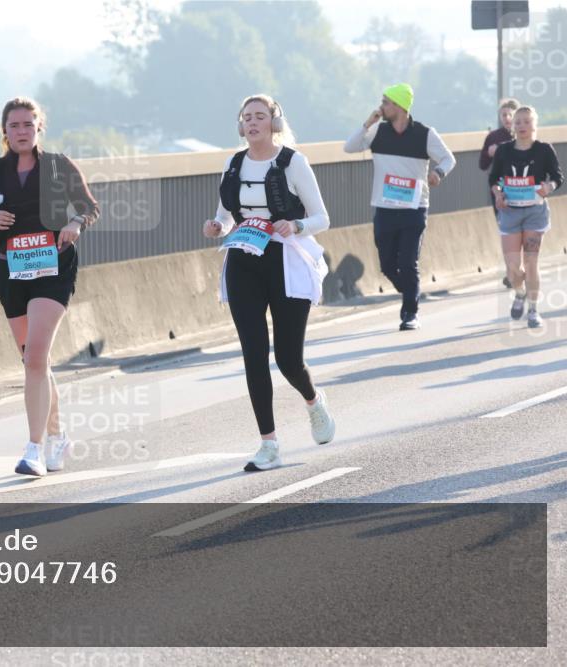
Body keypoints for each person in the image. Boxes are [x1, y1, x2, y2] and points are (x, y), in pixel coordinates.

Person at [0, 96, 100, 476]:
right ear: (4, 131)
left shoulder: (58, 166)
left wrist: (76, 224)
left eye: (28, 124)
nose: (21, 131)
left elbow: (90, 207)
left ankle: (34, 449)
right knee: (33, 362)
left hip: (53, 268)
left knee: (37, 356)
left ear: (40, 126)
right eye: (14, 125)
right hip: (10, 272)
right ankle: (58, 436)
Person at [203, 94, 335, 473]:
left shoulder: (293, 162)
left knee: (288, 358)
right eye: (247, 117)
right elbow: (226, 216)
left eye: (261, 116)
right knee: (253, 353)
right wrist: (217, 228)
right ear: (240, 125)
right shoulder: (233, 163)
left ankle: (313, 401)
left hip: (287, 259)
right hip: (244, 259)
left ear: (275, 122)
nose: (253, 123)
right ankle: (269, 443)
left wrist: (295, 226)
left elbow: (321, 217)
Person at [344, 83, 456, 331]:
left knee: (408, 263)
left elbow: (449, 158)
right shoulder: (377, 132)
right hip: (384, 208)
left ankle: (410, 313)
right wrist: (367, 123)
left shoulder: (425, 134)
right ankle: (410, 291)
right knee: (386, 265)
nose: (381, 106)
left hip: (415, 208)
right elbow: (349, 147)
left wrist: (438, 172)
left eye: (386, 102)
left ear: (399, 106)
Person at [489, 106, 563, 328]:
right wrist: (498, 194)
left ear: (534, 125)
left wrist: (549, 186)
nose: (522, 126)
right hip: (510, 212)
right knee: (513, 270)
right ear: (512, 126)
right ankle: (519, 293)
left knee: (531, 263)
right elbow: (493, 179)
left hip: (534, 212)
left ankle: (533, 310)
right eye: (518, 122)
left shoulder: (544, 149)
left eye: (526, 122)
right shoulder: (504, 151)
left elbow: (558, 177)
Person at [479, 98, 520, 289]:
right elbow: (482, 165)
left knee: (521, 233)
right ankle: (511, 273)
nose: (507, 118)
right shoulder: (493, 137)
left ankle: (517, 269)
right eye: (503, 115)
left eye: (510, 114)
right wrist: (490, 152)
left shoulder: (525, 135)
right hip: (500, 192)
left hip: (522, 190)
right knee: (506, 232)